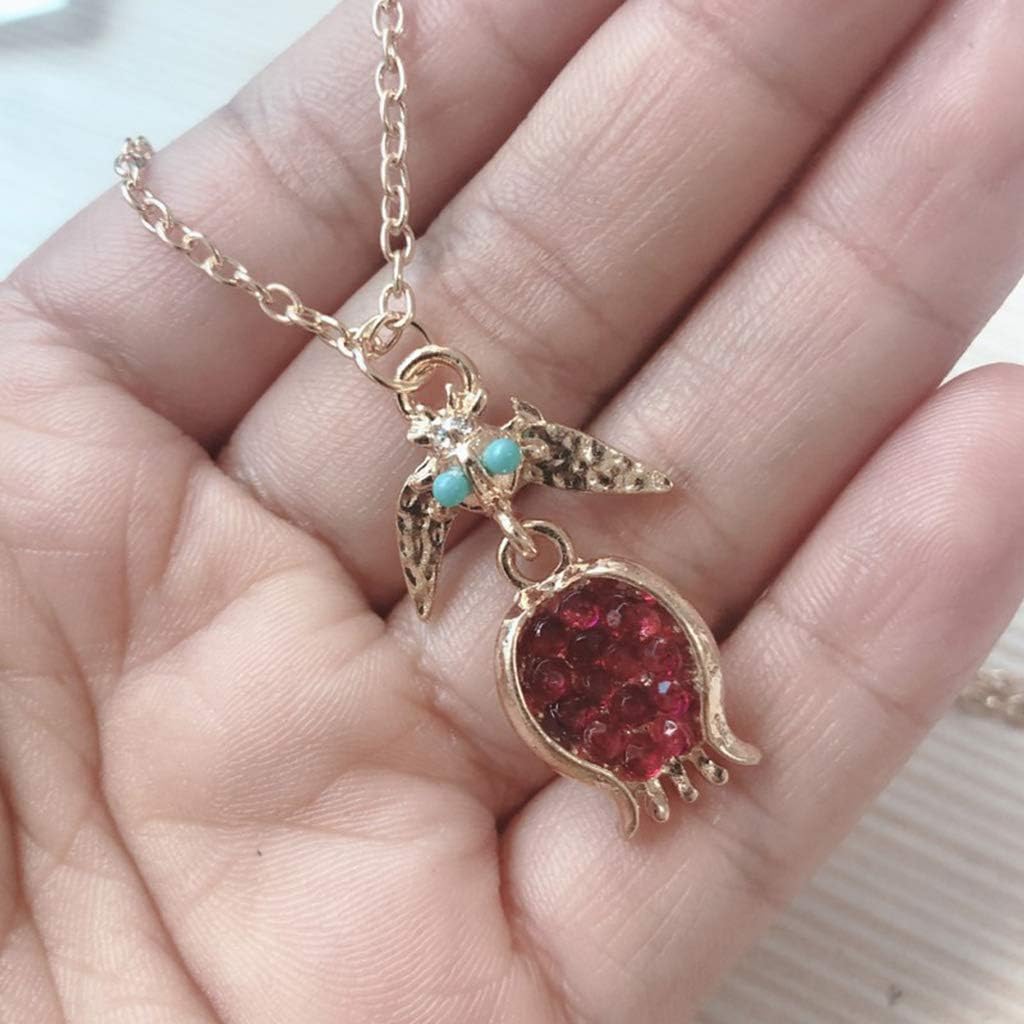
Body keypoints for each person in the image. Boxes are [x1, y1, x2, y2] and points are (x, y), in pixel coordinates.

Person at [1, 1, 1022, 1021]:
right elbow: (425, 550)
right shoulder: (433, 489)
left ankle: (688, 738)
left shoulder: (513, 444)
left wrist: (616, 479)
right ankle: (644, 765)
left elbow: (594, 468)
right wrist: (433, 563)